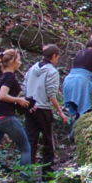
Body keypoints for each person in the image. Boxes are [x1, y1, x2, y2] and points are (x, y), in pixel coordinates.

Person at [0, 49, 33, 179]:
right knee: (25, 147)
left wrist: (21, 103)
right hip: (6, 118)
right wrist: (18, 99)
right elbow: (2, 96)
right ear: (13, 61)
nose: (20, 62)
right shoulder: (9, 76)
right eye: (18, 59)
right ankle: (25, 181)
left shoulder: (0, 77)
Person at [24, 44, 67, 174]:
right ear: (54, 56)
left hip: (30, 108)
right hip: (43, 109)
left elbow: (25, 86)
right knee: (48, 141)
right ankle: (47, 172)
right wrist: (60, 112)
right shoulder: (52, 71)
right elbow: (51, 94)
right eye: (57, 57)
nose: (57, 60)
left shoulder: (32, 69)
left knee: (31, 140)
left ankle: (27, 171)